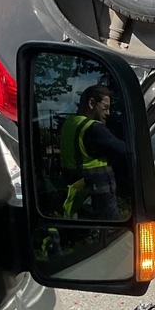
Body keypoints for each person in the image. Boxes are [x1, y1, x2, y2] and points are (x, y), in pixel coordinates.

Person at [59, 84, 126, 220]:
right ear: (91, 103)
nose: (108, 113)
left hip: (75, 194)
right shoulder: (94, 129)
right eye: (105, 108)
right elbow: (125, 150)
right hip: (99, 198)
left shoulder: (69, 124)